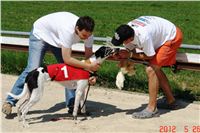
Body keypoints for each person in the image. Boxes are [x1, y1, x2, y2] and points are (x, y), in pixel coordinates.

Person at [2, 12, 100, 116]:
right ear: (77, 28)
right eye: (83, 35)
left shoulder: (88, 35)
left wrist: (92, 73)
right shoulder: (67, 30)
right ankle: (9, 102)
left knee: (69, 70)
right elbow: (67, 59)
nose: (85, 38)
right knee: (33, 68)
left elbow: (89, 56)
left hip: (58, 40)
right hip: (41, 34)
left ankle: (72, 105)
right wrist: (88, 67)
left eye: (88, 36)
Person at [111, 16, 183, 119]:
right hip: (161, 34)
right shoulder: (127, 30)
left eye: (123, 42)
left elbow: (149, 56)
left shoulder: (144, 36)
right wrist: (122, 58)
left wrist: (129, 55)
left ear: (129, 39)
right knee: (155, 68)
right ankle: (171, 101)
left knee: (151, 69)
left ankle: (152, 109)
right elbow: (131, 51)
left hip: (172, 37)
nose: (122, 44)